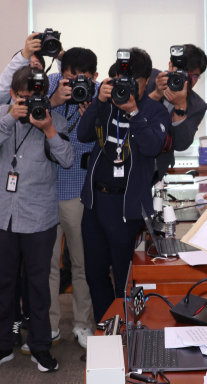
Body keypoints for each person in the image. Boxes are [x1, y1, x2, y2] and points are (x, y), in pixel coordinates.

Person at [0, 66, 74, 373]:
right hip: (2, 216)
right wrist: (9, 116)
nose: (30, 102)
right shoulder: (1, 114)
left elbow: (68, 159)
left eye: (35, 96)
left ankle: (41, 347)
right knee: (3, 284)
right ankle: (1, 346)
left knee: (39, 286)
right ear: (13, 95)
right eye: (23, 97)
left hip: (40, 217)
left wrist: (48, 129)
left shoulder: (55, 120)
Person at [78, 47, 168, 323]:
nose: (125, 88)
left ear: (145, 82)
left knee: (123, 276)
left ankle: (127, 334)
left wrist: (134, 112)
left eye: (132, 83)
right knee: (94, 273)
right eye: (119, 80)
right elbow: (82, 134)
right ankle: (107, 327)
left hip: (125, 207)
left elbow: (153, 147)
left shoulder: (154, 111)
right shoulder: (105, 103)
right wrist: (98, 102)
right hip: (95, 202)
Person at [45, 47, 99, 350]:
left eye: (82, 79)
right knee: (48, 266)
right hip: (45, 193)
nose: (74, 84)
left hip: (79, 194)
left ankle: (82, 324)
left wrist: (92, 113)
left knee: (82, 265)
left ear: (93, 76)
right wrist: (54, 101)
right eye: (69, 78)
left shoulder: (98, 97)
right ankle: (50, 325)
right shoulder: (50, 85)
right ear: (61, 73)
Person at [145, 44, 207, 180]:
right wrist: (156, 94)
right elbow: (130, 115)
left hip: (156, 169)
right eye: (182, 72)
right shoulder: (149, 78)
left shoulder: (198, 105)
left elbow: (181, 145)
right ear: (170, 66)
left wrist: (180, 106)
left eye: (195, 76)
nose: (187, 80)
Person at [0, 33, 46, 109]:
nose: (30, 68)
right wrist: (24, 56)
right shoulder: (8, 101)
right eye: (27, 65)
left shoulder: (47, 93)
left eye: (36, 65)